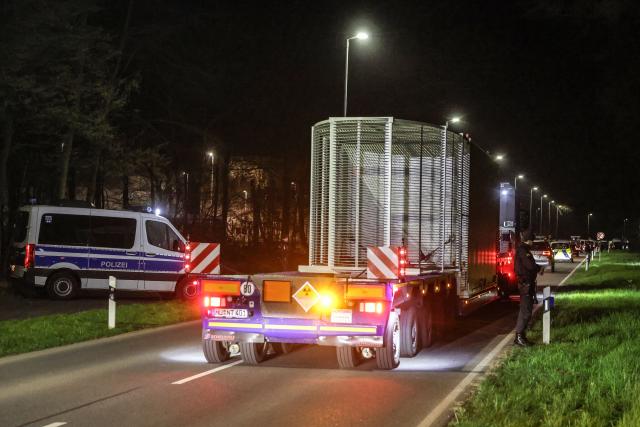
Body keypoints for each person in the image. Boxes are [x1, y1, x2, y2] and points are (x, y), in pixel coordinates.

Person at [514, 230, 541, 347]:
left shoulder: (523, 250)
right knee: (526, 312)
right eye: (532, 240)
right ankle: (519, 337)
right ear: (528, 240)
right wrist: (538, 268)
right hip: (525, 285)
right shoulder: (523, 251)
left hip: (527, 284)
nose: (532, 242)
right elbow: (530, 266)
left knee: (526, 311)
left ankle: (521, 336)